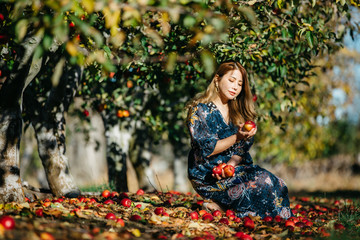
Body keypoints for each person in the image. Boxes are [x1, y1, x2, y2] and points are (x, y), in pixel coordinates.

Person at [186, 61, 292, 219]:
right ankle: (236, 211)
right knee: (261, 184)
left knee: (277, 182)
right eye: (231, 80)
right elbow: (206, 148)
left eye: (240, 83)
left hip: (234, 170)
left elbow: (242, 148)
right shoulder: (199, 111)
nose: (235, 86)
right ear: (217, 79)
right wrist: (237, 136)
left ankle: (276, 220)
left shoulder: (238, 113)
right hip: (207, 174)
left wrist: (231, 165)